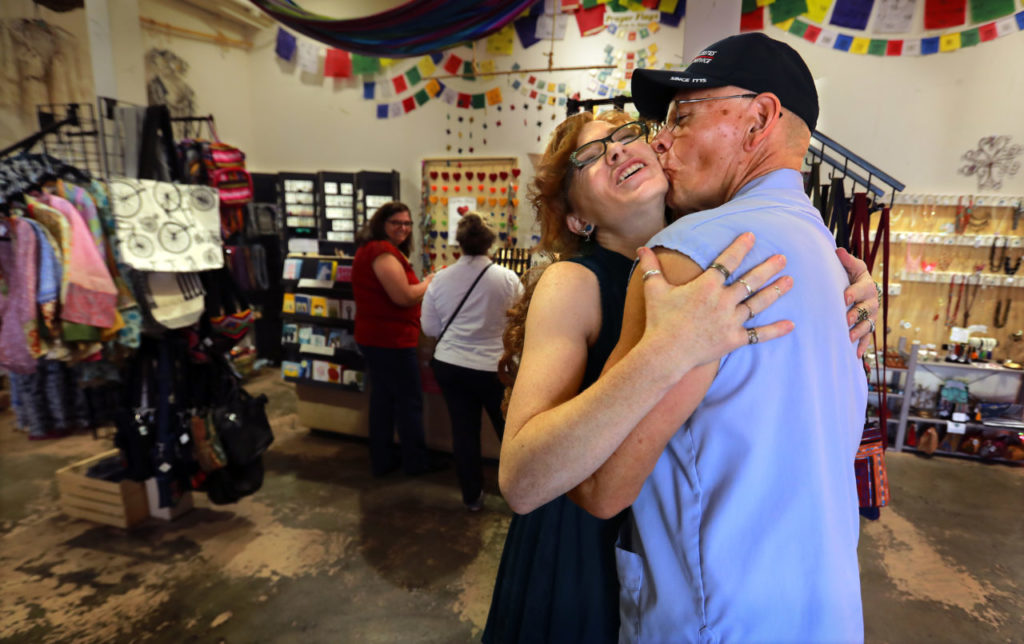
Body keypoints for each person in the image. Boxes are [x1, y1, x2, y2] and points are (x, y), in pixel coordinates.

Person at [483, 109, 879, 640]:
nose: (618, 151)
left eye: (625, 137)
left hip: (677, 543)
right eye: (590, 158)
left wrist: (852, 297)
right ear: (577, 218)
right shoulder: (572, 282)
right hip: (582, 544)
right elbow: (522, 479)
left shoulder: (712, 259)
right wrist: (668, 350)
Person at [569, 33, 871, 642]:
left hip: (716, 616)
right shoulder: (833, 261)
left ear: (760, 118)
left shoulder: (691, 256)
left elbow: (599, 484)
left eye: (682, 118)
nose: (659, 139)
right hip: (823, 610)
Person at [421, 214, 522, 511]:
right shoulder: (507, 279)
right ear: (492, 243)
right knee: (508, 431)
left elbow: (429, 328)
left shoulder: (440, 278)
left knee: (464, 431)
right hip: (494, 368)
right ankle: (518, 493)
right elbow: (518, 325)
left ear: (459, 242)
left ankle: (471, 496)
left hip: (451, 364)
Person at [352, 201, 434, 477]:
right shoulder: (382, 252)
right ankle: (415, 461)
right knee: (408, 402)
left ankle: (383, 459)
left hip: (379, 337)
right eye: (396, 223)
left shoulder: (376, 250)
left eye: (407, 223)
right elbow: (403, 297)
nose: (403, 228)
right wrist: (430, 281)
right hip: (391, 340)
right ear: (382, 224)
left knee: (384, 400)